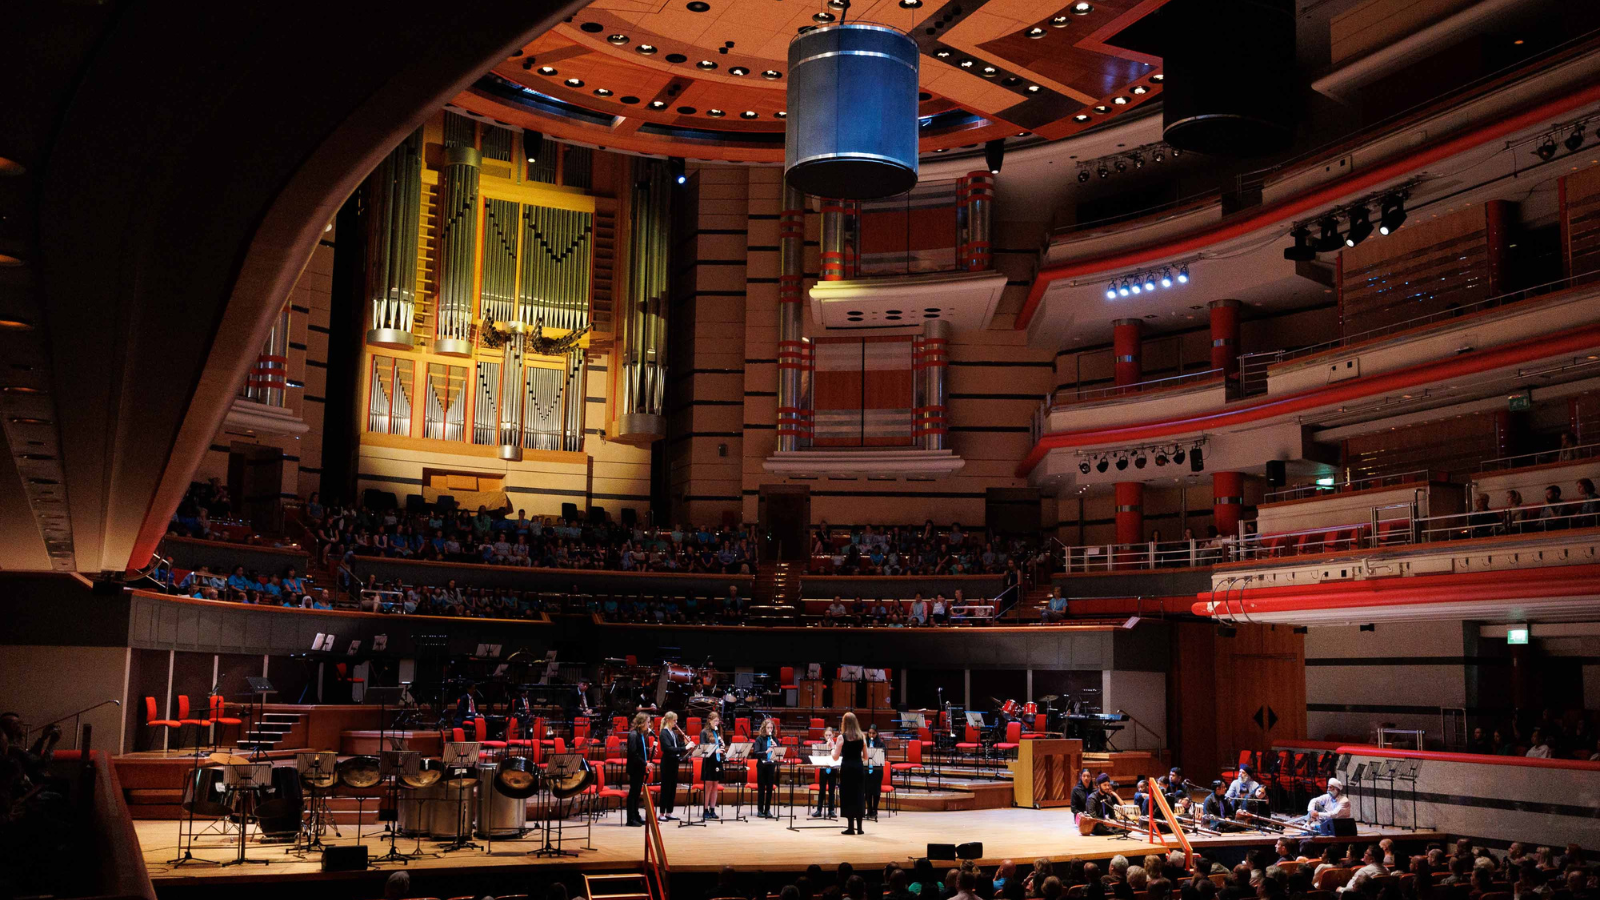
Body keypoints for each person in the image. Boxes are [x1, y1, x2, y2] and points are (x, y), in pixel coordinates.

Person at [834, 710, 868, 834]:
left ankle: (850, 828)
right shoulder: (862, 737)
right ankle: (859, 828)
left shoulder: (841, 738)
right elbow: (865, 757)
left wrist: (832, 748)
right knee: (859, 795)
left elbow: (835, 757)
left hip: (847, 769)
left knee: (848, 796)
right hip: (858, 768)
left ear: (845, 723)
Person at [625, 712, 651, 826]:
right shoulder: (633, 735)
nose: (649, 725)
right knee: (633, 793)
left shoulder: (640, 734)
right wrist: (645, 763)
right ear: (641, 723)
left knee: (636, 793)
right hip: (635, 768)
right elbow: (633, 753)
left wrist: (648, 750)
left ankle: (636, 815)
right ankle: (630, 819)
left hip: (639, 768)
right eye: (648, 722)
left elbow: (640, 750)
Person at [657, 711, 684, 821]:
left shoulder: (673, 733)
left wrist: (687, 744)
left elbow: (678, 745)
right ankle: (662, 813)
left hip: (674, 762)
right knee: (666, 788)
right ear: (668, 720)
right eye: (674, 720)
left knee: (672, 788)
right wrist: (684, 748)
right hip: (667, 763)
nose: (676, 722)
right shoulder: (663, 733)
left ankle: (669, 812)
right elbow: (668, 749)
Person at [699, 709, 726, 819]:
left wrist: (722, 746)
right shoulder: (704, 732)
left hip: (717, 761)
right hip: (708, 762)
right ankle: (705, 810)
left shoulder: (717, 732)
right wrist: (715, 750)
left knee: (715, 786)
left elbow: (718, 746)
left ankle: (713, 809)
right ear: (709, 721)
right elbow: (703, 748)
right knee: (708, 786)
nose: (717, 723)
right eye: (715, 721)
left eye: (718, 721)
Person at [753, 717, 780, 818]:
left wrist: (776, 747)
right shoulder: (759, 739)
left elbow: (779, 753)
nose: (770, 730)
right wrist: (766, 752)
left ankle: (767, 809)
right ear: (764, 728)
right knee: (761, 788)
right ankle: (760, 810)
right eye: (768, 728)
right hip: (761, 766)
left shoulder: (775, 739)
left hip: (771, 766)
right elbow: (756, 753)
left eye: (771, 728)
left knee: (769, 788)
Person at [812, 726, 838, 818]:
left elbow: (838, 757)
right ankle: (819, 810)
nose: (828, 737)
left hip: (833, 769)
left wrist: (832, 748)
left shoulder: (836, 746)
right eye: (826, 735)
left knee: (831, 791)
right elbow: (817, 758)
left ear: (833, 735)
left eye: (830, 735)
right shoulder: (821, 746)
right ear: (824, 736)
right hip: (823, 770)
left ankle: (831, 810)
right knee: (821, 790)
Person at [863, 722, 886, 820]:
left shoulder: (880, 744)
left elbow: (882, 757)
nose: (871, 735)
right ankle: (869, 810)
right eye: (870, 733)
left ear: (877, 734)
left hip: (877, 771)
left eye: (873, 733)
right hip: (867, 769)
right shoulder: (865, 743)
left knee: (876, 791)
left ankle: (875, 810)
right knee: (868, 791)